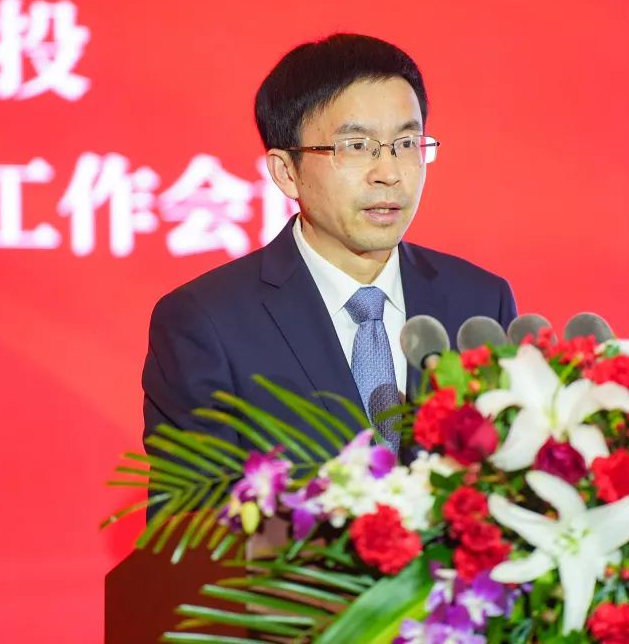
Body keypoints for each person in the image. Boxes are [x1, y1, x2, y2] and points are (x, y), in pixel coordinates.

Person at [142, 34, 516, 505]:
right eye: (356, 146)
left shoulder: (480, 303)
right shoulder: (207, 323)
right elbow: (190, 526)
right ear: (286, 172)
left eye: (406, 143)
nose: (390, 172)